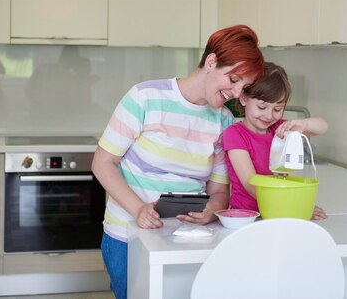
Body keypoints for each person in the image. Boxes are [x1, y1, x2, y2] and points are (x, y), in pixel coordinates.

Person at [91, 25, 265, 299]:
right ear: (211, 62)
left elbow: (219, 192)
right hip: (128, 237)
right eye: (233, 80)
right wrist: (139, 210)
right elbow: (102, 163)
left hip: (186, 241)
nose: (235, 93)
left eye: (243, 87)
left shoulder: (224, 121)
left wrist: (210, 212)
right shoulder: (145, 97)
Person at [222, 62, 328, 220]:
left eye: (277, 109)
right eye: (262, 107)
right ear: (244, 98)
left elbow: (322, 126)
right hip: (247, 216)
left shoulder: (280, 129)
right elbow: (251, 185)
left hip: (279, 212)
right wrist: (295, 204)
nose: (269, 116)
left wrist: (304, 124)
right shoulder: (234, 135)